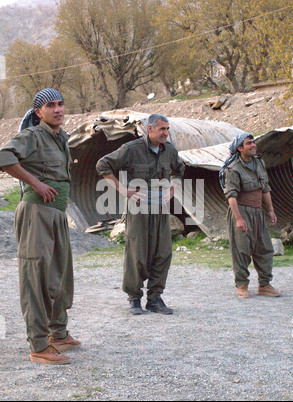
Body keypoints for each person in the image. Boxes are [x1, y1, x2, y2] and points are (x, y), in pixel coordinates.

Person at [0, 88, 80, 364]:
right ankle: (38, 346)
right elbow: (4, 157)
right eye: (50, 106)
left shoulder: (61, 138)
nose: (58, 109)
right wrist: (34, 182)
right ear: (38, 112)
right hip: (37, 212)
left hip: (56, 213)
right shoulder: (32, 136)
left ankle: (58, 334)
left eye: (60, 104)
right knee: (36, 278)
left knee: (59, 274)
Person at [96, 113, 185, 314]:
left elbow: (179, 170)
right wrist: (123, 190)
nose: (166, 133)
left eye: (167, 129)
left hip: (160, 209)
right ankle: (134, 298)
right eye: (162, 129)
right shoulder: (131, 149)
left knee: (163, 253)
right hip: (138, 209)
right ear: (149, 129)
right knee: (137, 253)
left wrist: (173, 188)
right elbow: (103, 165)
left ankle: (155, 299)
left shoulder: (169, 151)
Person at [219, 132, 280, 298]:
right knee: (242, 249)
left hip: (258, 211)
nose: (253, 145)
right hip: (242, 210)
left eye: (253, 142)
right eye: (248, 143)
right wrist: (238, 218)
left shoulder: (259, 163)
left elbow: (265, 188)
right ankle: (242, 285)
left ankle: (265, 284)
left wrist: (271, 210)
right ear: (240, 148)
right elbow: (231, 196)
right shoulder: (233, 168)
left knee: (264, 248)